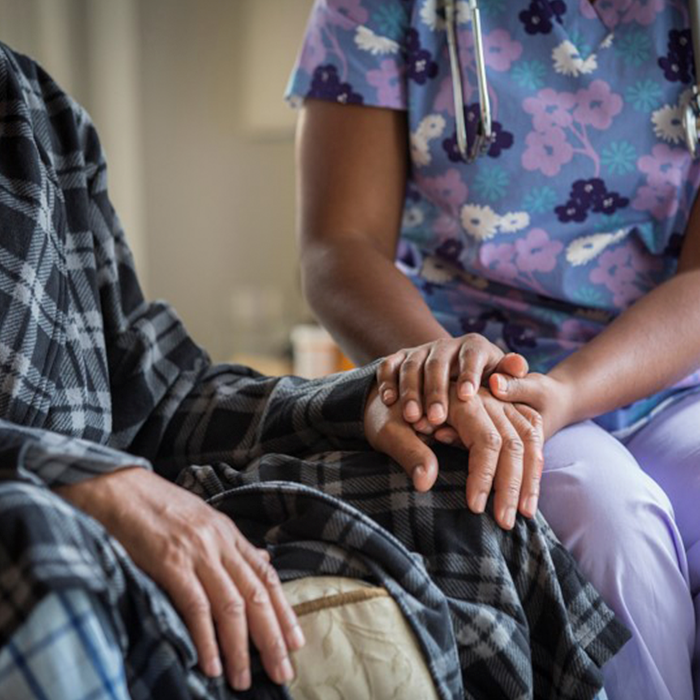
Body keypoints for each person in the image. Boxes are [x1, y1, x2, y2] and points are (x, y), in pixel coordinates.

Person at [0, 40, 627, 700]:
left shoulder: (36, 111)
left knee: (453, 488)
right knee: (41, 545)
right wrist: (84, 481)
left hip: (123, 496)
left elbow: (164, 396)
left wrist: (368, 398)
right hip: (44, 523)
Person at [288, 1, 700, 699]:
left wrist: (571, 390)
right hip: (490, 385)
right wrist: (447, 369)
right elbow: (339, 246)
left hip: (667, 370)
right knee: (606, 519)